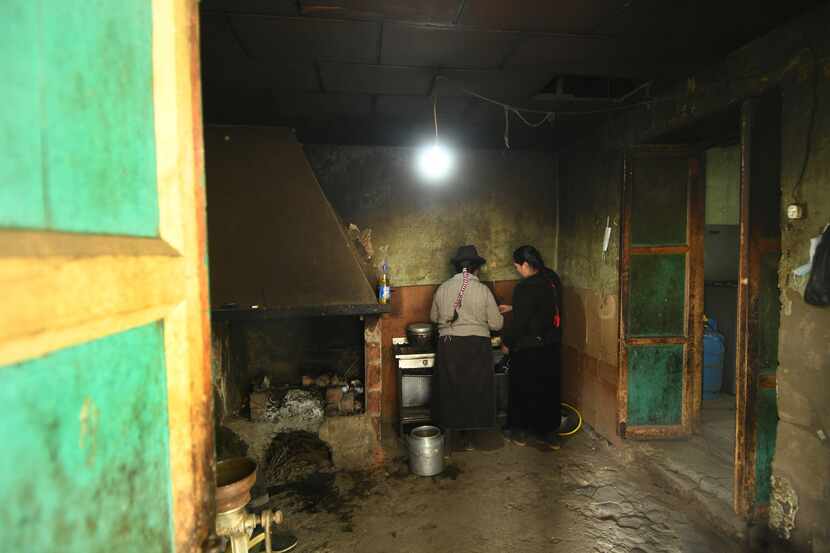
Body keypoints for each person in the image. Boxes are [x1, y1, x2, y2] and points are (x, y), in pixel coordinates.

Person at [430, 245, 503, 452]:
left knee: (451, 390)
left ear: (457, 268)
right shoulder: (483, 290)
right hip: (476, 347)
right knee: (476, 390)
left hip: (449, 347)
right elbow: (497, 324)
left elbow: (434, 318)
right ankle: (476, 439)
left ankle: (453, 440)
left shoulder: (443, 289)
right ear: (476, 269)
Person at [499, 245, 562, 448]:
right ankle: (549, 435)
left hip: (528, 348)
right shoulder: (551, 279)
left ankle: (520, 433)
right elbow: (542, 308)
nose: (517, 270)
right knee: (548, 390)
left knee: (522, 389)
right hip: (551, 346)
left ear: (526, 264)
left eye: (517, 266)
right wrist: (514, 307)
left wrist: (507, 343)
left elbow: (520, 323)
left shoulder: (524, 287)